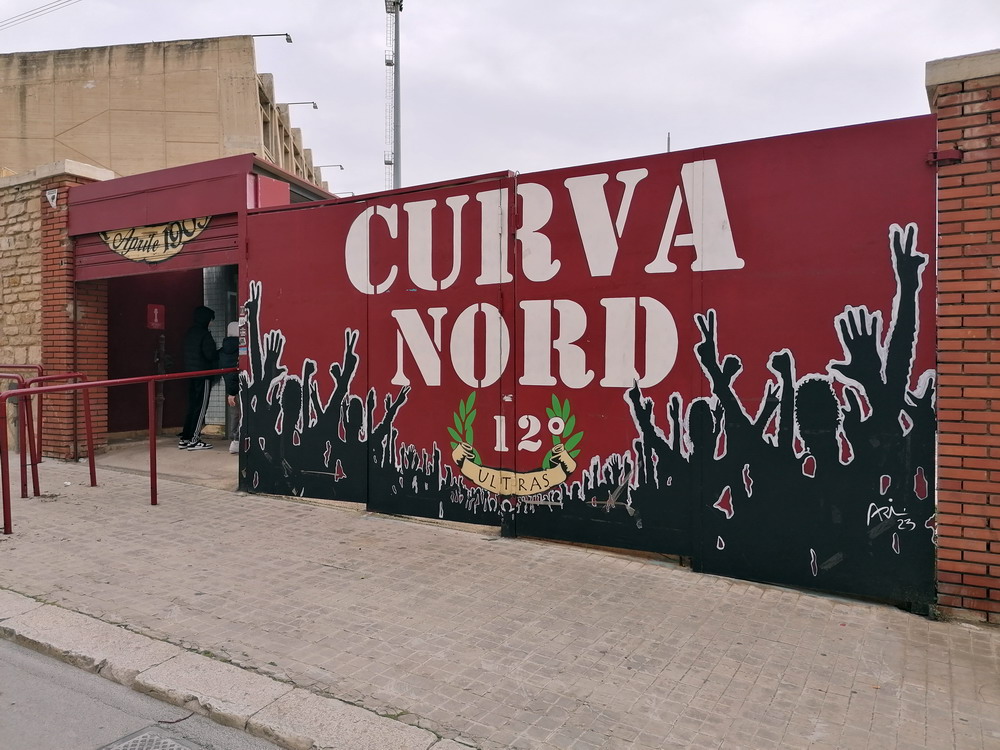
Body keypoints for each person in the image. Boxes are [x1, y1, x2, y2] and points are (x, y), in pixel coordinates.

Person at [179, 305, 218, 450]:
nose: (211, 322)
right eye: (211, 319)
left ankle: (185, 438)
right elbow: (210, 354)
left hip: (190, 374)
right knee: (201, 407)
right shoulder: (204, 334)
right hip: (203, 374)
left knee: (192, 406)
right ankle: (194, 439)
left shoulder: (190, 332)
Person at [219, 321, 240, 454]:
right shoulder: (242, 349)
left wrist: (230, 392)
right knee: (243, 414)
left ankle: (234, 440)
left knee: (235, 415)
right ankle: (237, 440)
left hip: (230, 387)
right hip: (241, 385)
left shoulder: (223, 351)